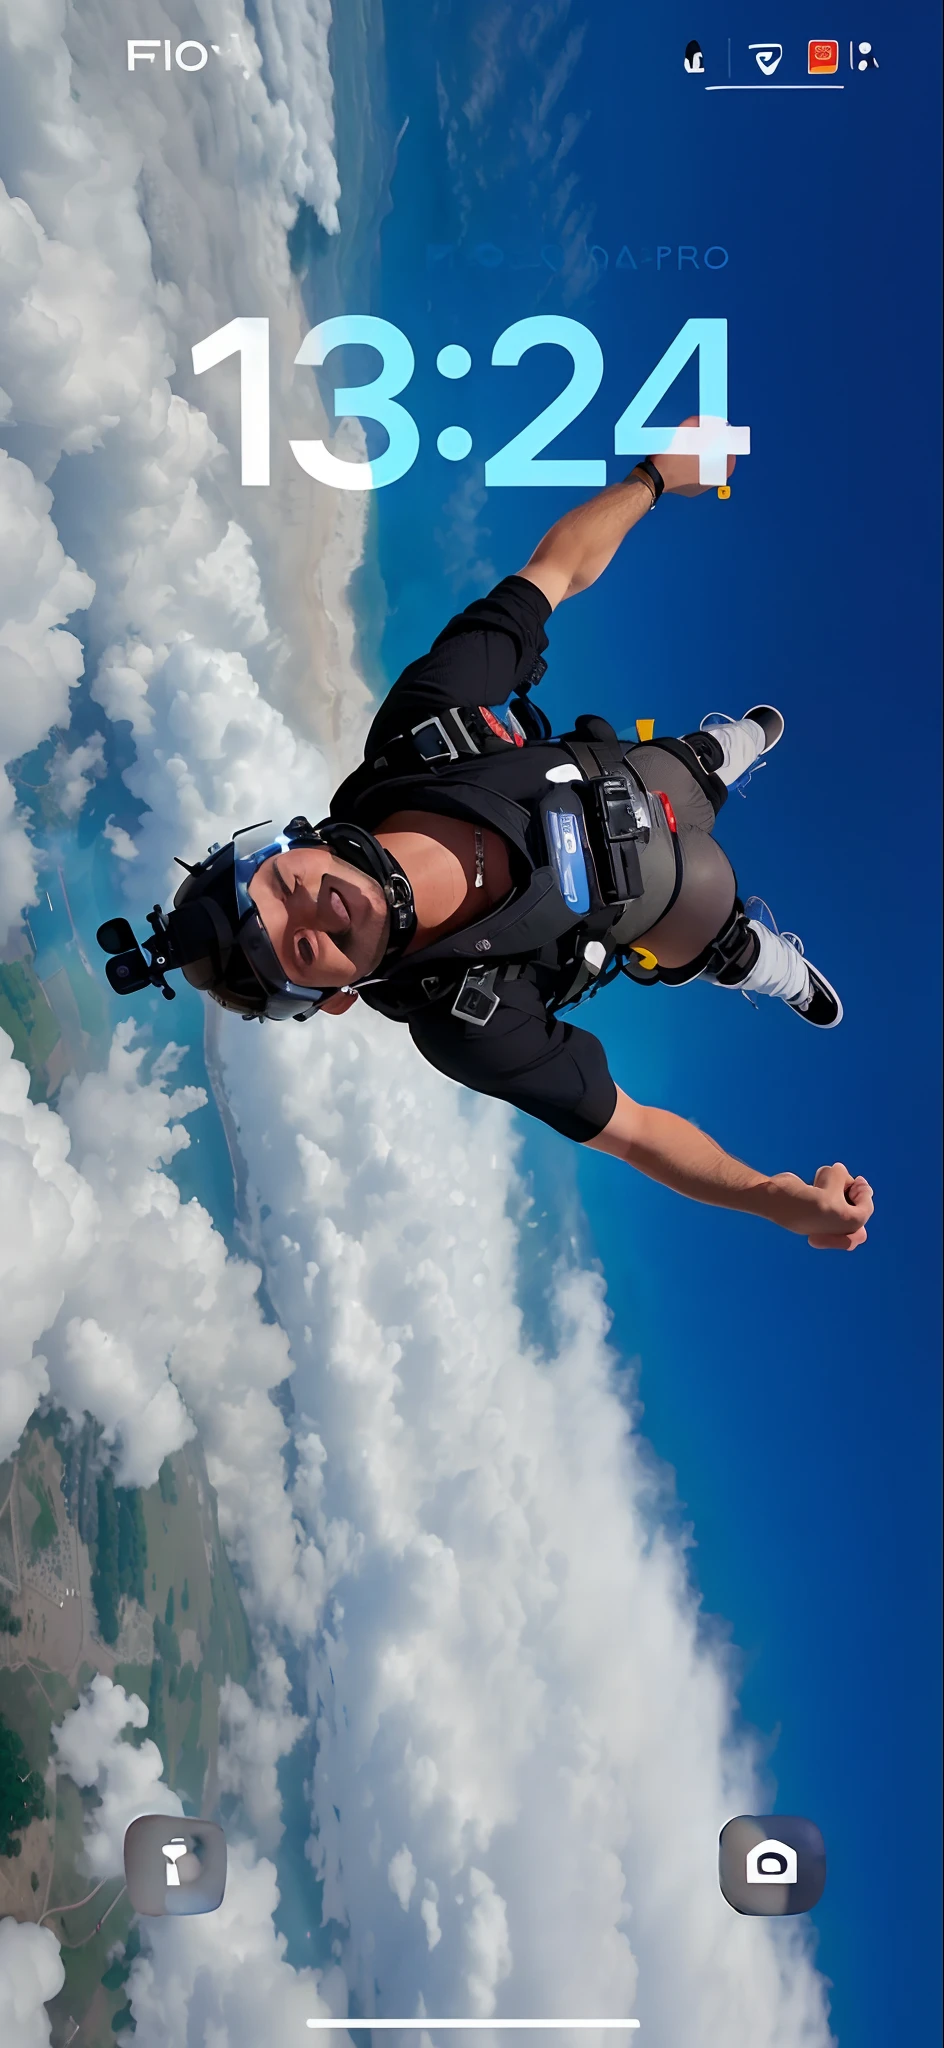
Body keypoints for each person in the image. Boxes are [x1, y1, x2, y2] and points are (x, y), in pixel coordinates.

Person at [98, 424, 873, 1252]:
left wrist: (654, 476)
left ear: (297, 842)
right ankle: (750, 957)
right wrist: (775, 1201)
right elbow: (636, 1131)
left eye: (283, 887)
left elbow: (551, 575)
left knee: (686, 765)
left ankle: (729, 750)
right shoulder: (468, 1024)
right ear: (334, 998)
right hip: (659, 909)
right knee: (706, 916)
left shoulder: (421, 734)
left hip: (638, 781)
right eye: (302, 950)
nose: (313, 909)